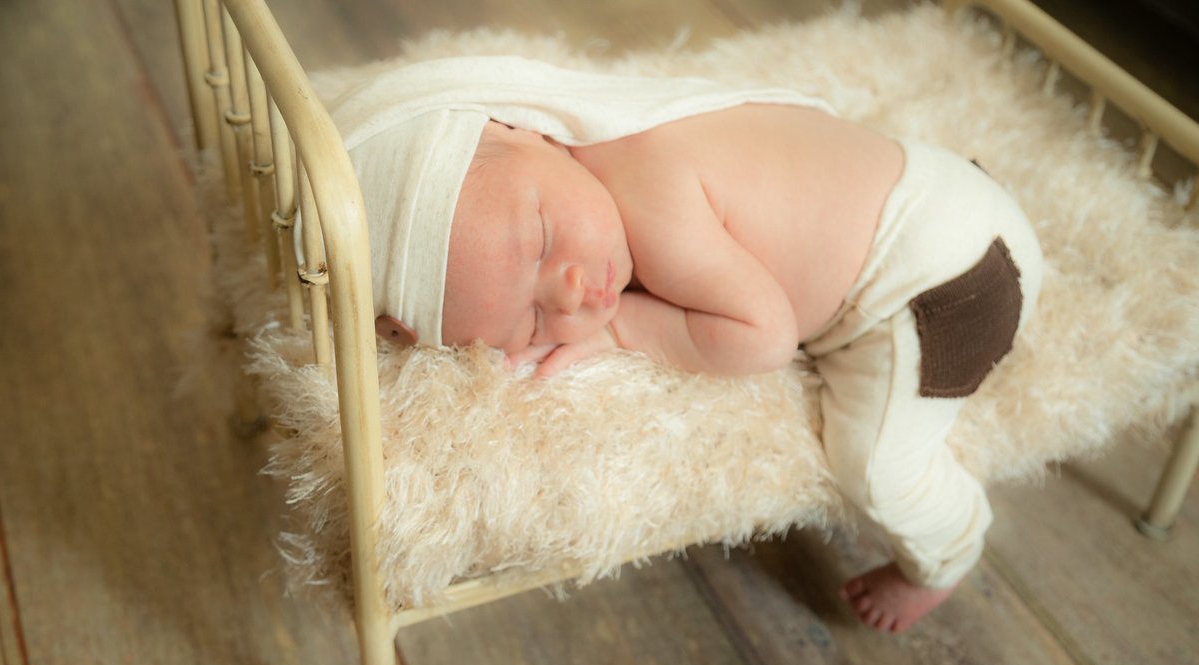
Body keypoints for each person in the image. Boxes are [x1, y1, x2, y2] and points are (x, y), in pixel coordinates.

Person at [326, 56, 1044, 633]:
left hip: (947, 283)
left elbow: (764, 336)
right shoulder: (605, 141)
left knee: (874, 462)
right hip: (941, 181)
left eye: (542, 240)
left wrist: (621, 330)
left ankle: (947, 552)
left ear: (525, 131)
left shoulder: (653, 198)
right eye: (536, 322)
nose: (573, 293)